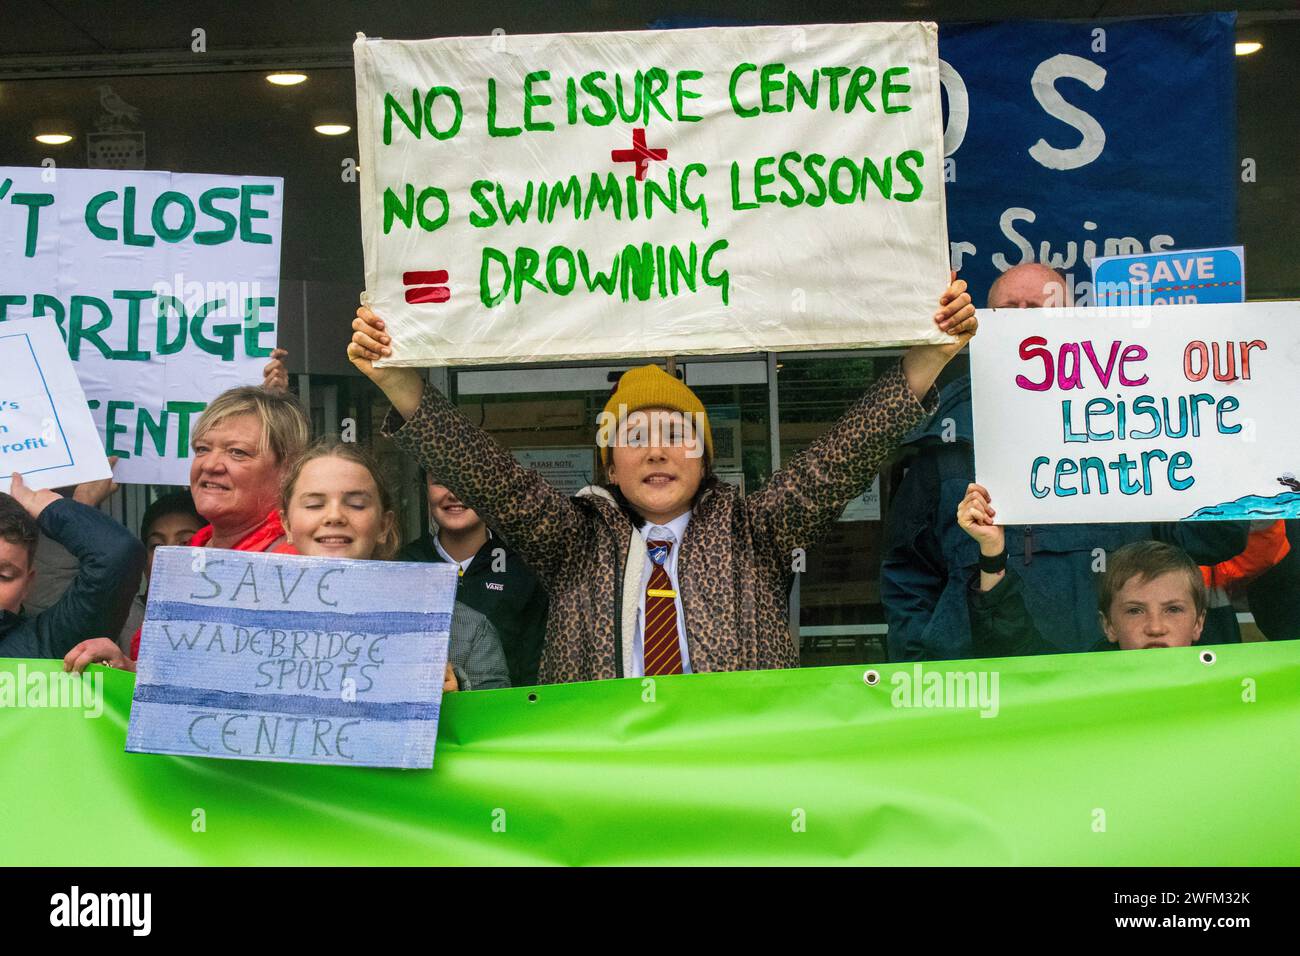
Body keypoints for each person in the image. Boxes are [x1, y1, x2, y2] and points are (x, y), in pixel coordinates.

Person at [347, 277, 977, 684]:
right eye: (634, 435)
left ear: (703, 457)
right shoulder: (572, 541)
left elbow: (841, 456)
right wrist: (399, 383)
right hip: (608, 780)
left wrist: (926, 363)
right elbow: (491, 475)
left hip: (736, 774)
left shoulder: (753, 531)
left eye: (677, 434)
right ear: (609, 463)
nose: (657, 452)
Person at [881, 262, 1248, 661]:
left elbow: (1215, 539)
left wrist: (1212, 425)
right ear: (982, 325)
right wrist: (917, 667)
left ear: (1075, 323)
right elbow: (908, 570)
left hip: (1116, 675)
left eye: (1039, 310)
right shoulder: (947, 427)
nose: (1023, 322)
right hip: (980, 682)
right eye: (1007, 312)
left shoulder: (1132, 420)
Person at [72, 440, 509, 692]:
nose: (334, 516)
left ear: (384, 524)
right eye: (314, 503)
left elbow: (498, 746)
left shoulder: (462, 628)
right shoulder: (224, 617)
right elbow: (185, 698)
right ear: (286, 522)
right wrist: (126, 677)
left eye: (356, 504)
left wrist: (460, 692)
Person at [125, 385, 311, 659]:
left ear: (288, 470)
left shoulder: (295, 562)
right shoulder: (189, 555)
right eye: (202, 449)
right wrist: (123, 669)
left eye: (237, 452)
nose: (210, 465)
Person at [958, 483, 1206, 655]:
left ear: (1198, 622)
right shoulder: (1079, 688)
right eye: (1135, 610)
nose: (1155, 627)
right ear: (1108, 625)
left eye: (1173, 609)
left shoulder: (1230, 695)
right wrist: (992, 550)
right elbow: (1010, 642)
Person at [398, 471, 549, 687]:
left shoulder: (523, 571)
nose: (454, 493)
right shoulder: (403, 566)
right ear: (425, 490)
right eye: (441, 481)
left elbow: (535, 677)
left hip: (502, 715)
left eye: (469, 479)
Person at [0, 472, 145, 660]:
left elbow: (117, 554)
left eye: (3, 576)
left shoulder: (50, 643)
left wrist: (46, 506)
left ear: (28, 585)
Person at [115, 492, 205, 652]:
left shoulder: (224, 623)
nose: (168, 556)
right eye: (156, 546)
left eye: (186, 543)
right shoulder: (118, 617)